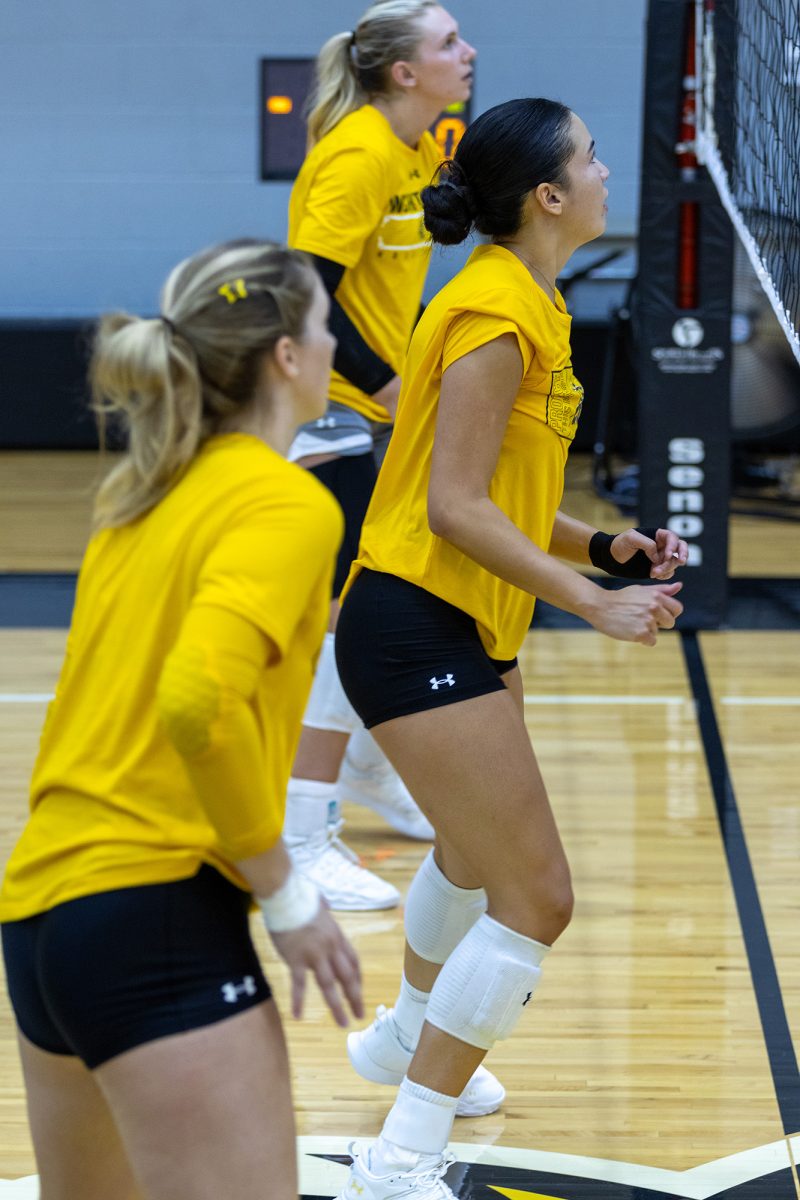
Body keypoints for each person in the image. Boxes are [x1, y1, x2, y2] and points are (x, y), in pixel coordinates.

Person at [332, 98, 688, 1200]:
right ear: (546, 196)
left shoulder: (527, 300)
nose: (601, 172)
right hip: (412, 619)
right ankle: (404, 1153)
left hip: (463, 620)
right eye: (588, 158)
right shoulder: (493, 312)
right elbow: (450, 508)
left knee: (473, 855)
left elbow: (501, 493)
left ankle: (400, 1038)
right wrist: (592, 602)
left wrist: (606, 546)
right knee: (536, 898)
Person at [0, 240, 363, 1200]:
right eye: (328, 324)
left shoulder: (141, 500)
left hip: (41, 923)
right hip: (152, 912)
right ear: (287, 356)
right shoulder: (288, 504)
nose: (337, 344)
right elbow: (199, 698)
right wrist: (286, 895)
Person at [283, 0, 477, 914]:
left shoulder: (415, 147)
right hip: (325, 409)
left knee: (375, 594)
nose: (467, 52)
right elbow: (301, 301)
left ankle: (361, 769)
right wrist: (393, 389)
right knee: (355, 607)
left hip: (368, 410)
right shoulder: (358, 155)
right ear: (403, 71)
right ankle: (299, 830)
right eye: (448, 42)